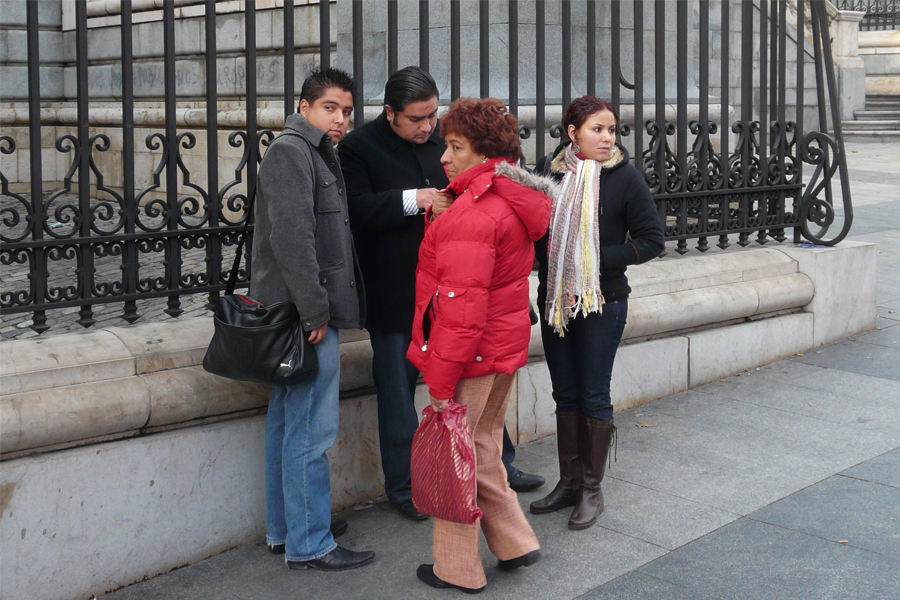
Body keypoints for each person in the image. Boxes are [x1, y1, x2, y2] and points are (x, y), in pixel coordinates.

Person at [338, 67, 543, 524]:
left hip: (455, 289)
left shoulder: (444, 143)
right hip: (395, 292)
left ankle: (500, 466)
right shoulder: (357, 148)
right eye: (416, 118)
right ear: (389, 113)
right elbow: (352, 210)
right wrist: (416, 199)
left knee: (474, 387)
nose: (428, 127)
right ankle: (405, 486)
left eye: (432, 116)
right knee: (397, 392)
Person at [407, 97, 554, 594]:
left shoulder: (475, 213)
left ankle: (457, 568)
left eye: (455, 146)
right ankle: (515, 542)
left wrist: (440, 380)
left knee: (456, 458)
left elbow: (460, 307)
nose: (443, 157)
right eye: (445, 145)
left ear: (484, 152)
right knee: (482, 445)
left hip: (472, 354)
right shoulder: (508, 198)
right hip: (501, 348)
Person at [250, 68, 373, 571]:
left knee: (288, 421)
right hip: (303, 316)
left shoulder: (317, 152)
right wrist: (314, 310)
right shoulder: (290, 152)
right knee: (309, 429)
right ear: (303, 107)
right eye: (330, 108)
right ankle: (311, 542)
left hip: (302, 312)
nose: (340, 118)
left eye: (346, 110)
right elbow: (292, 239)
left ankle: (288, 530)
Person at [529, 96, 665, 530]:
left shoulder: (625, 178)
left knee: (592, 394)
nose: (607, 138)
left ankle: (592, 489)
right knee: (564, 394)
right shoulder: (547, 174)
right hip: (556, 301)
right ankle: (569, 482)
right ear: (573, 133)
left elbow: (651, 240)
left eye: (612, 130)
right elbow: (534, 234)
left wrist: (590, 256)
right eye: (597, 130)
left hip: (603, 302)